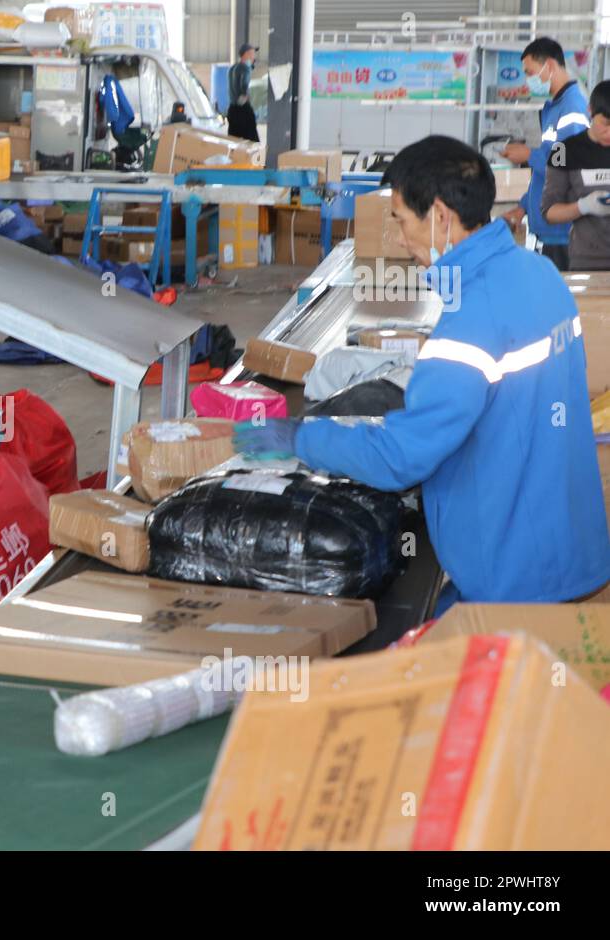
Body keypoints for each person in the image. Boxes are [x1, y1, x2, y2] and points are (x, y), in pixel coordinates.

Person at [234, 136, 610, 613]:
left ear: (439, 216)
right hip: (567, 545)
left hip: (513, 577)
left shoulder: (471, 320)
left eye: (400, 220)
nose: (398, 237)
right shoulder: (539, 275)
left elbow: (401, 456)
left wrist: (298, 439)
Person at [502, 37, 589, 271]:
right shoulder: (556, 108)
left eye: (530, 72)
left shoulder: (572, 108)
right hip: (548, 231)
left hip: (564, 233)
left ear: (549, 66)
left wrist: (528, 154)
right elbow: (547, 174)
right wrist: (523, 207)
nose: (529, 80)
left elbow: (568, 163)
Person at [541, 79, 610, 270]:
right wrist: (584, 206)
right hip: (587, 260)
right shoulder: (563, 151)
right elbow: (549, 212)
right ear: (590, 111)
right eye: (605, 124)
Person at [226, 43, 259, 142]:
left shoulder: (232, 68)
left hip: (232, 109)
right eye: (253, 54)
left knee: (234, 140)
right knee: (251, 141)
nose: (254, 57)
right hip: (243, 110)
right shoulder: (245, 68)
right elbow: (244, 85)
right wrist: (246, 96)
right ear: (247, 54)